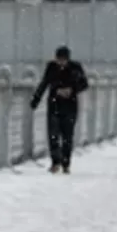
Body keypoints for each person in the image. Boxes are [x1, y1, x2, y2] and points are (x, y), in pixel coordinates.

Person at [30, 46, 89, 174]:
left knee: (67, 135)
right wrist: (36, 99)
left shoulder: (75, 68)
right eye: (59, 59)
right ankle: (55, 162)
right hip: (54, 105)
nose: (61, 62)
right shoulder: (51, 67)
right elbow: (44, 83)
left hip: (70, 106)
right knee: (53, 134)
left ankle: (66, 162)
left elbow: (84, 84)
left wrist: (71, 89)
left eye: (63, 60)